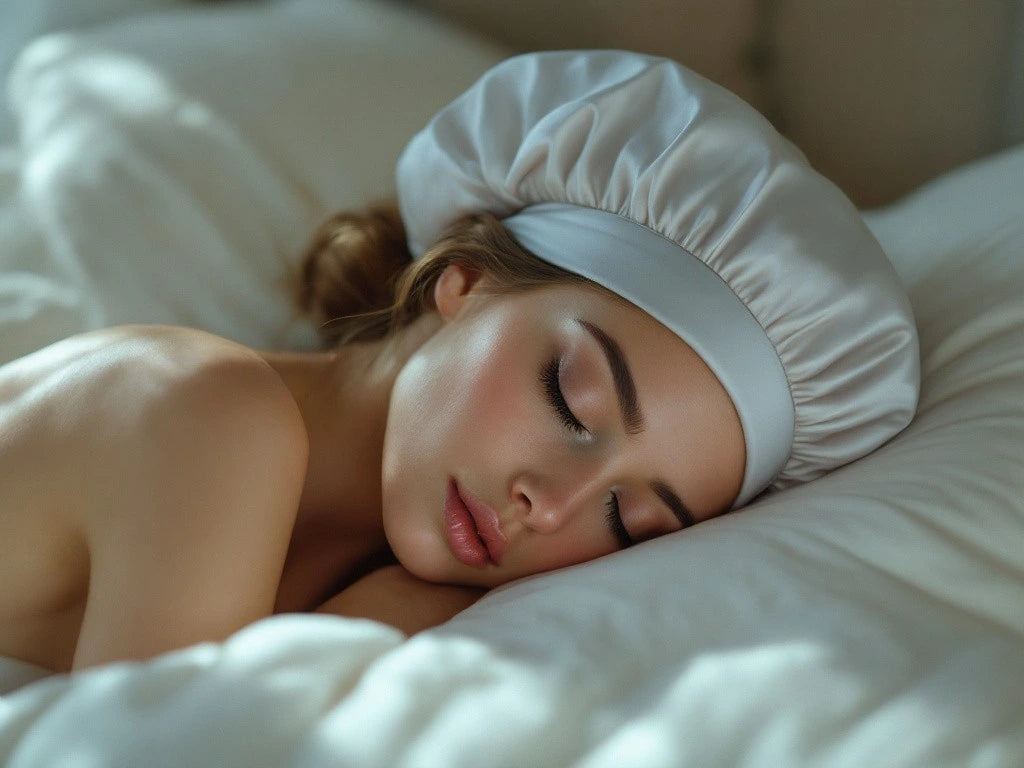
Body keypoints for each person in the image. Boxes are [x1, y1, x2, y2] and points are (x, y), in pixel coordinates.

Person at [0, 50, 919, 676]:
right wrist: (386, 618)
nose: (550, 505)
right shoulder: (207, 414)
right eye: (569, 397)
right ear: (464, 281)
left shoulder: (397, 573)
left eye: (628, 519)